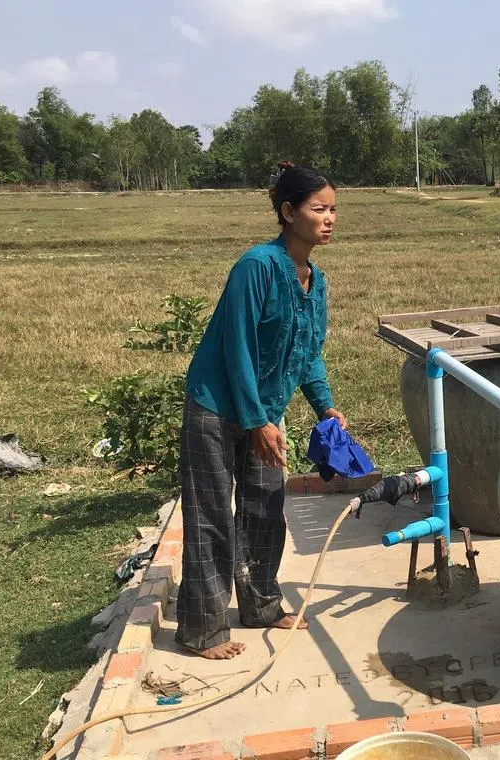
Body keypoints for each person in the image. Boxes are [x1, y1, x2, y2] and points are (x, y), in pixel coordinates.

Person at [175, 164, 347, 660]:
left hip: (265, 412)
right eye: (319, 209)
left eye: (334, 209)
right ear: (289, 212)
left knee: (265, 509)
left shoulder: (315, 280)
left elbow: (308, 350)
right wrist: (255, 422)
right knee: (211, 518)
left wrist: (325, 406)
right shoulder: (257, 266)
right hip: (216, 406)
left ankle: (262, 607)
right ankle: (202, 631)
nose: (330, 218)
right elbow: (238, 348)